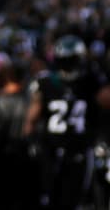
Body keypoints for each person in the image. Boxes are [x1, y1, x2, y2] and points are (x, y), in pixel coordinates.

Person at [23, 35, 110, 210]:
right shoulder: (89, 80)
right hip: (65, 150)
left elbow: (31, 120)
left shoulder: (48, 81)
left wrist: (30, 140)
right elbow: (31, 119)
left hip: (66, 150)